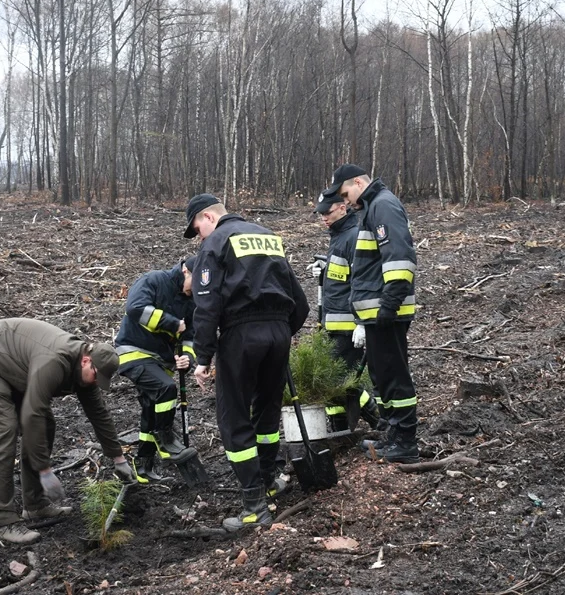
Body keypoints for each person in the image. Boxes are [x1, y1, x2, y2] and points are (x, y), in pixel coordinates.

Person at [183, 194, 309, 532]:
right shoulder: (268, 236)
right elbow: (301, 302)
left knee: (233, 418)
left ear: (208, 217)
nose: (199, 237)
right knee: (267, 411)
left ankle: (254, 507)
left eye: (197, 228)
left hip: (241, 336)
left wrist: (202, 357)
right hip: (280, 332)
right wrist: (280, 331)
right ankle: (269, 480)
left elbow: (206, 306)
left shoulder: (215, 244)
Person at [0, 318, 136, 545]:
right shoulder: (54, 362)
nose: (95, 383)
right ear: (86, 360)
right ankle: (4, 522)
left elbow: (99, 414)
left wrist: (118, 457)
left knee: (47, 425)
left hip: (15, 363)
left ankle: (35, 505)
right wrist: (44, 470)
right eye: (96, 376)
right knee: (5, 430)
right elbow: (32, 414)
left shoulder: (86, 372)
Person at [327, 164, 420, 463]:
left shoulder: (383, 206)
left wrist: (388, 306)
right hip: (376, 313)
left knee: (394, 377)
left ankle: (405, 442)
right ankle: (393, 435)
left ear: (358, 181)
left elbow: (401, 258)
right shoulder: (371, 207)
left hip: (387, 313)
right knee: (381, 377)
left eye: (345, 193)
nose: (345, 201)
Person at [114, 257, 199, 483]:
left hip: (161, 361)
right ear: (185, 270)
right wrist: (173, 323)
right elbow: (135, 308)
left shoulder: (193, 302)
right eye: (196, 280)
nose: (199, 288)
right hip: (134, 351)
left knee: (151, 410)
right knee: (166, 389)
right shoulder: (154, 280)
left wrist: (187, 359)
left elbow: (190, 338)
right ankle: (166, 442)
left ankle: (143, 467)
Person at [307, 190, 380, 433]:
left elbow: (362, 280)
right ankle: (339, 429)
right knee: (333, 380)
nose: (323, 218)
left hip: (348, 327)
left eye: (327, 213)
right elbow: (344, 273)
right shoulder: (338, 235)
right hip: (333, 323)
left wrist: (361, 322)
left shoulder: (353, 236)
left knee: (342, 382)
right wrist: (326, 270)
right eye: (320, 214)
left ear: (342, 207)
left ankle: (376, 421)